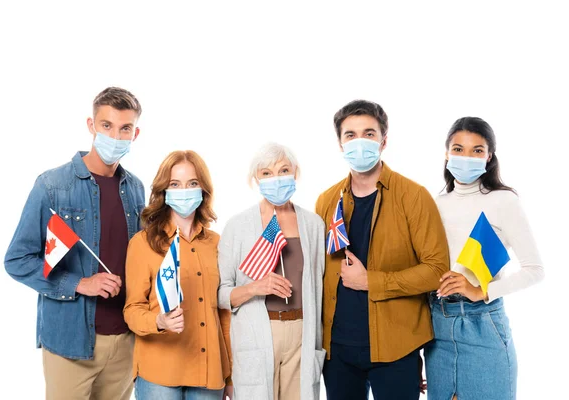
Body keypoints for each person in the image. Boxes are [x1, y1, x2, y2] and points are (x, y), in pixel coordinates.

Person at [4, 87, 145, 399]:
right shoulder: (53, 185)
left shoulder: (135, 188)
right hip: (71, 342)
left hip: (125, 340)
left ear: (136, 133)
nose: (115, 136)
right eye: (106, 126)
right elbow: (17, 260)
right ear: (91, 125)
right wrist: (79, 283)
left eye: (125, 128)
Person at [315, 99, 450, 400]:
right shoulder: (326, 201)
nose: (359, 141)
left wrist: (370, 281)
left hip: (395, 347)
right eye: (350, 135)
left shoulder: (413, 196)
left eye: (369, 133)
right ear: (339, 143)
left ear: (383, 141)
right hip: (338, 352)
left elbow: (436, 269)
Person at [424, 117, 545, 400]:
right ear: (446, 153)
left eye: (477, 150)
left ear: (489, 157)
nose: (467, 157)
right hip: (437, 325)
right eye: (458, 149)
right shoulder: (434, 204)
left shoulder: (503, 201)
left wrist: (481, 291)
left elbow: (535, 269)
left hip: (483, 326)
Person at [217, 142, 326, 400]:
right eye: (266, 173)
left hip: (301, 334)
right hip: (259, 331)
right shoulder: (237, 225)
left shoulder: (313, 224)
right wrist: (255, 287)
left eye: (283, 170)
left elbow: (321, 286)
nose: (275, 178)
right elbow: (221, 294)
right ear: (256, 178)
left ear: (295, 173)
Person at [124, 150, 233, 400]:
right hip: (159, 374)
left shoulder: (218, 243)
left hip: (209, 374)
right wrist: (159, 322)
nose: (184, 190)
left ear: (203, 189)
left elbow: (224, 314)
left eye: (192, 183)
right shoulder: (142, 243)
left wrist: (231, 374)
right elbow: (132, 310)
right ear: (164, 191)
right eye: (175, 184)